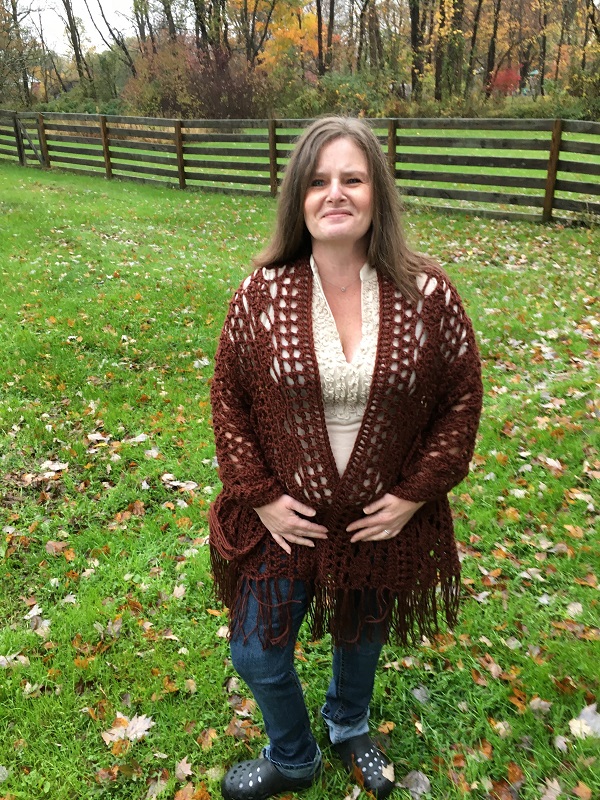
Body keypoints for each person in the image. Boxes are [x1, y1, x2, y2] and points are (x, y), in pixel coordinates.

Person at [209, 116, 483, 800]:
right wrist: (261, 497)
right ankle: (293, 757)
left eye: (352, 179)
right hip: (287, 520)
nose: (335, 193)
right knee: (256, 650)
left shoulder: (427, 293)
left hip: (377, 518)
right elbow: (229, 400)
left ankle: (348, 723)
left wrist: (414, 495)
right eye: (318, 181)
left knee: (360, 641)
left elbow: (461, 396)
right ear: (298, 199)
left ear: (376, 193)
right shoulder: (261, 295)